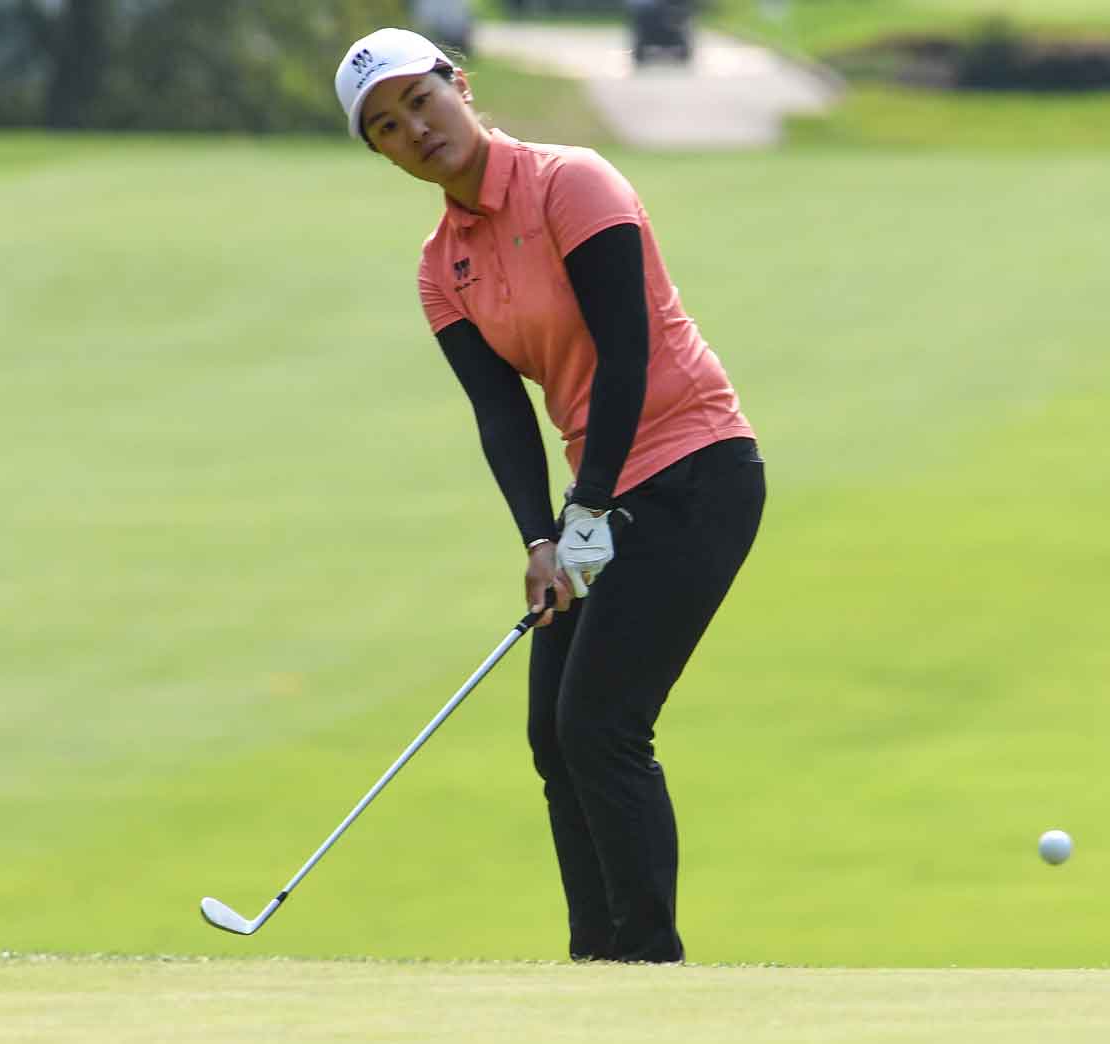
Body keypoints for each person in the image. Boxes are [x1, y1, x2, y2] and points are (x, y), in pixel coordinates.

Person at [334, 28, 764, 964]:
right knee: (552, 732)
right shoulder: (440, 268)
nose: (415, 128)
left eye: (421, 99)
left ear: (460, 84)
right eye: (387, 126)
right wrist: (541, 539)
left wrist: (589, 511)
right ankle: (594, 960)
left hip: (696, 468)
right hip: (603, 492)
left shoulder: (574, 182)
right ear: (379, 152)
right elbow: (502, 416)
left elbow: (625, 353)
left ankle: (648, 963)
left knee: (599, 722)